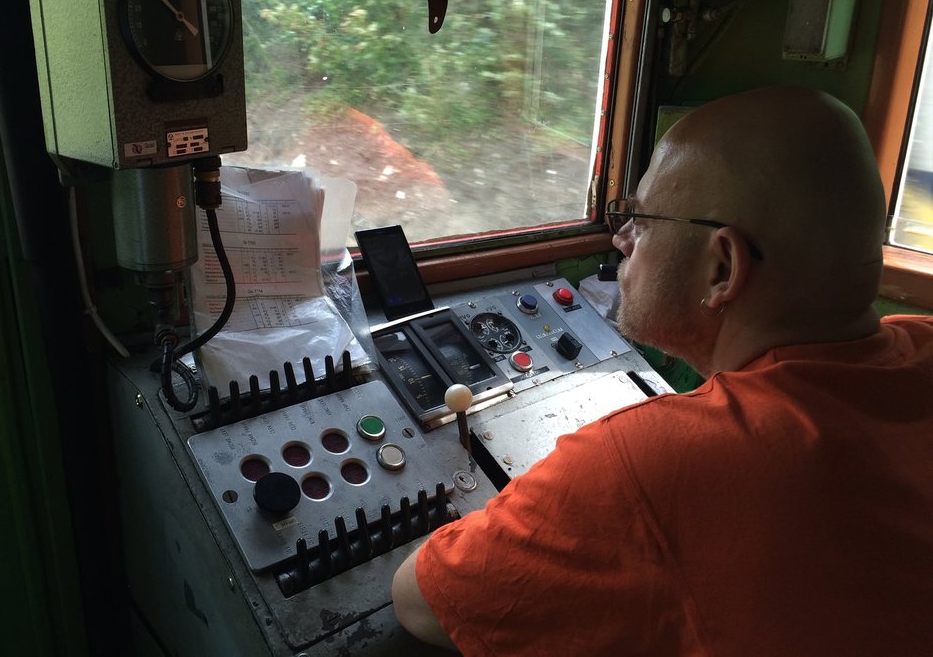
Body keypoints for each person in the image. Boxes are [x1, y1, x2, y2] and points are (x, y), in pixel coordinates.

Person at [391, 87, 933, 655]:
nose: (621, 238)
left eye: (644, 221)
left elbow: (420, 603)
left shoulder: (652, 463)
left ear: (722, 268)